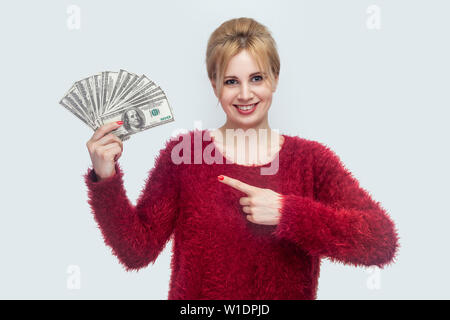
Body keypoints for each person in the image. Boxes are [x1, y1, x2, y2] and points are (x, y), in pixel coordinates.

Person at [84, 17, 399, 300]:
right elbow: (136, 251)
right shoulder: (183, 157)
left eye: (257, 78)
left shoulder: (312, 161)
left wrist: (287, 212)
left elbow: (379, 241)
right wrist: (105, 177)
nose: (245, 94)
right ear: (214, 85)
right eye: (231, 81)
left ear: (275, 79)